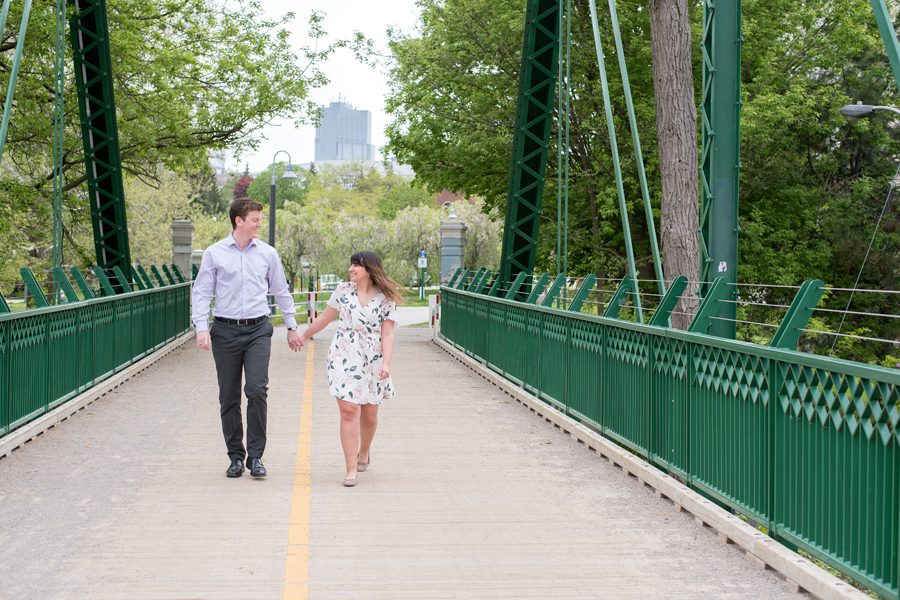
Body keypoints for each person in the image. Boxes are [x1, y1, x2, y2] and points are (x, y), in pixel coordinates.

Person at [191, 198, 302, 479]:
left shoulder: (267, 253)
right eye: (255, 219)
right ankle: (235, 457)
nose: (259, 224)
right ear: (238, 221)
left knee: (256, 389)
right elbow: (202, 292)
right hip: (225, 330)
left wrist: (291, 326)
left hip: (257, 330)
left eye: (260, 219)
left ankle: (256, 456)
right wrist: (201, 327)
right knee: (228, 396)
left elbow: (281, 290)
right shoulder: (214, 254)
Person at [299, 251, 400, 487]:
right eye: (351, 264)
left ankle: (364, 450)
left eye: (357, 265)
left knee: (370, 414)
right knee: (349, 410)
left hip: (373, 357)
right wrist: (304, 335)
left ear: (370, 269)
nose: (351, 268)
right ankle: (350, 469)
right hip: (344, 354)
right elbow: (326, 318)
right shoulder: (343, 291)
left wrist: (386, 362)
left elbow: (388, 332)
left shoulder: (386, 297)